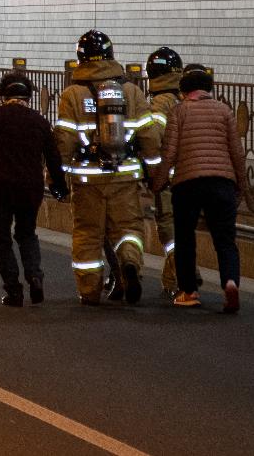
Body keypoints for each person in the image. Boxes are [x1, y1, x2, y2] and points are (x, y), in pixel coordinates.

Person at [54, 30, 161, 305]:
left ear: (80, 58)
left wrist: (57, 175)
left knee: (88, 233)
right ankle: (130, 264)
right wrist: (153, 171)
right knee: (128, 229)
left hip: (87, 179)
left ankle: (89, 290)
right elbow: (149, 135)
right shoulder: (131, 91)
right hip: (125, 175)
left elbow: (64, 138)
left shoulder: (73, 95)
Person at [151, 65, 247, 312]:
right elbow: (237, 152)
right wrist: (241, 184)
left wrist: (158, 182)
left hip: (188, 184)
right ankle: (229, 283)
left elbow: (169, 153)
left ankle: (189, 291)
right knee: (225, 240)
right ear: (209, 89)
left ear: (183, 91)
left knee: (185, 238)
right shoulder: (224, 110)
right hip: (222, 182)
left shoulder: (178, 111)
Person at [0, 72, 68, 307]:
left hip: (1, 188)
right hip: (30, 188)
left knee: (1, 238)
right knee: (27, 234)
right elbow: (54, 158)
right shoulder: (39, 120)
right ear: (29, 95)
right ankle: (35, 277)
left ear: (4, 94)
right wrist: (60, 186)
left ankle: (14, 290)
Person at [146, 46, 184, 298]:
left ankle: (179, 277)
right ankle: (180, 274)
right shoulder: (184, 100)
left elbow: (153, 140)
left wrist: (152, 174)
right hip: (190, 174)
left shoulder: (158, 105)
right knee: (182, 228)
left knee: (170, 229)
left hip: (168, 178)